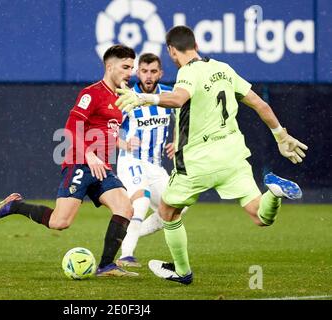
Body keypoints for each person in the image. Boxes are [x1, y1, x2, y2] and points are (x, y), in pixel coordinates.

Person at [115, 26, 308, 284]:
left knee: (168, 211)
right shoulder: (224, 69)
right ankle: (273, 192)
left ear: (172, 51)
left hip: (197, 161)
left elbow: (178, 98)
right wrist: (280, 135)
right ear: (195, 43)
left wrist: (144, 98)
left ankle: (182, 272)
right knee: (260, 215)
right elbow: (260, 104)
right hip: (232, 156)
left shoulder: (187, 73)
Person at [0, 44, 139, 277]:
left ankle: (106, 265)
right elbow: (70, 127)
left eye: (132, 68)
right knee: (60, 222)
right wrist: (89, 155)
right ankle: (14, 206)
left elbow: (106, 131)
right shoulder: (92, 93)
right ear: (109, 66)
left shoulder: (119, 98)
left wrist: (120, 144)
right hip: (80, 162)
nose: (130, 73)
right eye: (125, 67)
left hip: (102, 167)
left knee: (125, 207)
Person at [116, 53, 187, 268]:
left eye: (153, 71)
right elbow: (109, 129)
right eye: (144, 71)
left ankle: (129, 234)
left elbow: (184, 118)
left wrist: (178, 141)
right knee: (142, 200)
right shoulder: (127, 95)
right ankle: (126, 255)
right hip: (130, 161)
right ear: (138, 72)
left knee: (178, 206)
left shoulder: (168, 94)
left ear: (160, 73)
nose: (148, 76)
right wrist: (123, 144)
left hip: (155, 166)